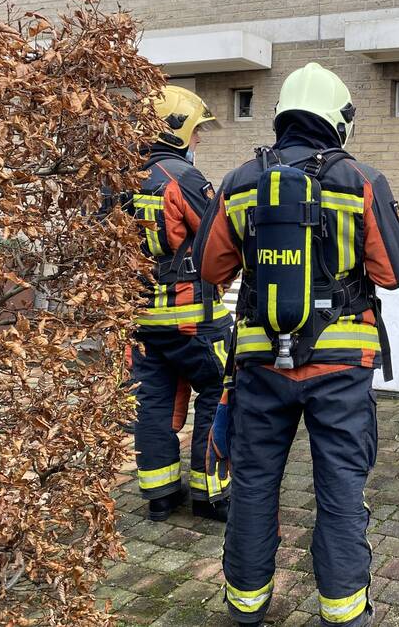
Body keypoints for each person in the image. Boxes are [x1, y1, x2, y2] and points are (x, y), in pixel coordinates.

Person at [195, 62, 399, 626]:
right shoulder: (361, 179)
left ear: (282, 116)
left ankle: (245, 605)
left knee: (253, 482)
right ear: (339, 120)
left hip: (261, 362)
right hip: (341, 366)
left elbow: (210, 266)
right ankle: (343, 612)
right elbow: (393, 271)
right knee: (340, 486)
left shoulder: (240, 181)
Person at [128, 85, 234, 522]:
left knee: (151, 402)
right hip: (196, 321)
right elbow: (217, 238)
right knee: (219, 392)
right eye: (196, 132)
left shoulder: (119, 179)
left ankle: (160, 495)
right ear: (175, 130)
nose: (199, 141)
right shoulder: (182, 178)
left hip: (141, 321)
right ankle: (211, 496)